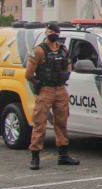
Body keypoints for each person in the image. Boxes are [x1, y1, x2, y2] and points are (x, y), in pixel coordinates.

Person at [25, 23, 80, 170]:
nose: (53, 34)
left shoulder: (63, 50)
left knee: (61, 122)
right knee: (40, 123)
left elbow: (68, 68)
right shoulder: (39, 51)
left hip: (61, 89)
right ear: (46, 32)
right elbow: (29, 74)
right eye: (51, 31)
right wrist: (39, 84)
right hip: (46, 90)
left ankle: (63, 155)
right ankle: (35, 157)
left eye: (55, 31)